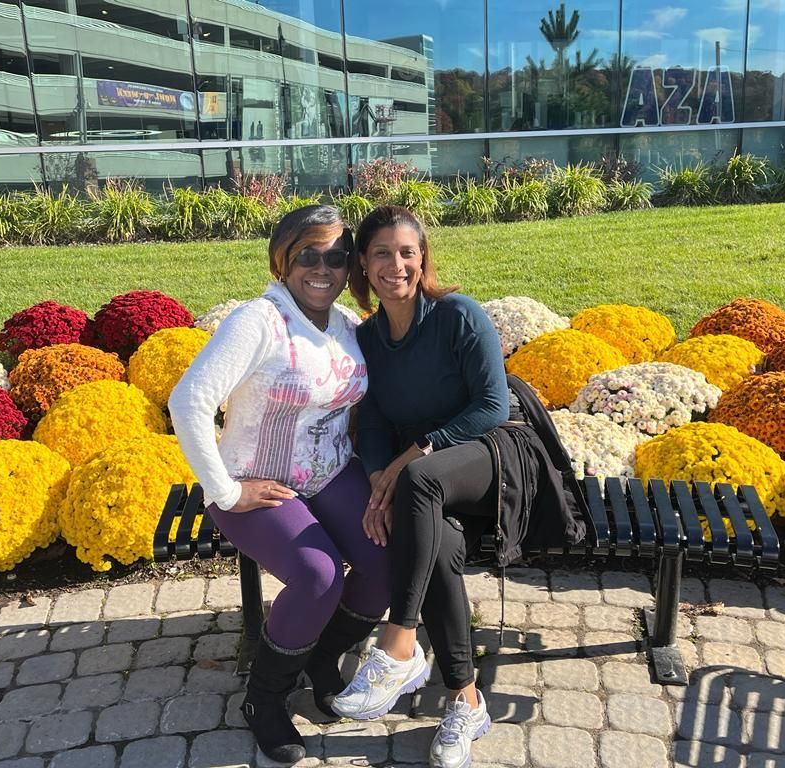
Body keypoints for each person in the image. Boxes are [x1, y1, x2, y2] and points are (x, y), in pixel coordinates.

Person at [331, 205, 586, 768]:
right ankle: (465, 700)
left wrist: (412, 458)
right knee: (439, 549)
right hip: (426, 483)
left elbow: (493, 406)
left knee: (419, 479)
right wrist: (378, 479)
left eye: (407, 252)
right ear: (363, 267)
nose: (396, 264)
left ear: (423, 259)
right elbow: (371, 421)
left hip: (496, 458)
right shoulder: (369, 337)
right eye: (381, 253)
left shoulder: (458, 316)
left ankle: (399, 640)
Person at [169, 205, 390, 766]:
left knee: (388, 558)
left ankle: (321, 656)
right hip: (253, 484)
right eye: (307, 255)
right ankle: (263, 699)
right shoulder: (257, 321)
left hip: (331, 472)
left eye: (336, 257)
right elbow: (189, 401)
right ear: (282, 261)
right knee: (318, 577)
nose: (323, 268)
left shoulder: (343, 324)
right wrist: (226, 491)